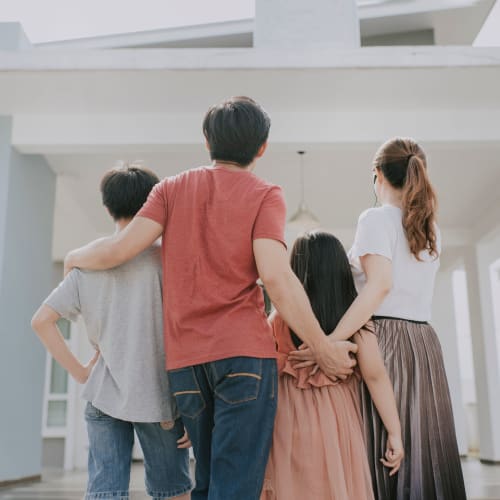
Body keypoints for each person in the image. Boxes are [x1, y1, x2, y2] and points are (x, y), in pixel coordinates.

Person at [62, 96, 358, 500]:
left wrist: (75, 256)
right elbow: (275, 275)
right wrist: (322, 348)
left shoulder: (170, 189)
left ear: (207, 141)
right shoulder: (265, 193)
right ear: (262, 148)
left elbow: (120, 250)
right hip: (244, 357)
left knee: (204, 483)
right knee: (235, 485)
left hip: (185, 364)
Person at [291, 137, 466, 500]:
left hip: (386, 341)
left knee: (384, 447)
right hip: (424, 345)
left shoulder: (375, 218)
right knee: (423, 447)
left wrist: (332, 341)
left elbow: (378, 287)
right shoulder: (431, 227)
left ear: (377, 174)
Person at [32, 166, 192, 500]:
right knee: (172, 491)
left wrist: (80, 373)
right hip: (160, 397)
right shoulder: (169, 259)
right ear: (153, 203)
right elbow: (188, 332)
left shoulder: (87, 263)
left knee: (104, 493)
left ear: (107, 207)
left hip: (103, 392)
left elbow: (41, 321)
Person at [261, 231, 404, 500]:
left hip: (286, 416)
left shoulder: (280, 318)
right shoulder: (356, 320)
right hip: (339, 419)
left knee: (292, 485)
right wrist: (394, 433)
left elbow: (264, 369)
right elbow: (376, 377)